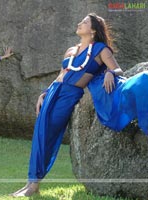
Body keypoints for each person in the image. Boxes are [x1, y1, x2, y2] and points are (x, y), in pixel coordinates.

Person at [11, 13, 148, 197]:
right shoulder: (70, 50)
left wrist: (110, 73)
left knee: (50, 133)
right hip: (55, 91)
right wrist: (44, 93)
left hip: (71, 95)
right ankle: (32, 183)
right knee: (40, 133)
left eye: (84, 22)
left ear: (92, 30)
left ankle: (33, 183)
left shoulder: (100, 49)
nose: (79, 23)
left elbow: (117, 68)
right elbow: (61, 76)